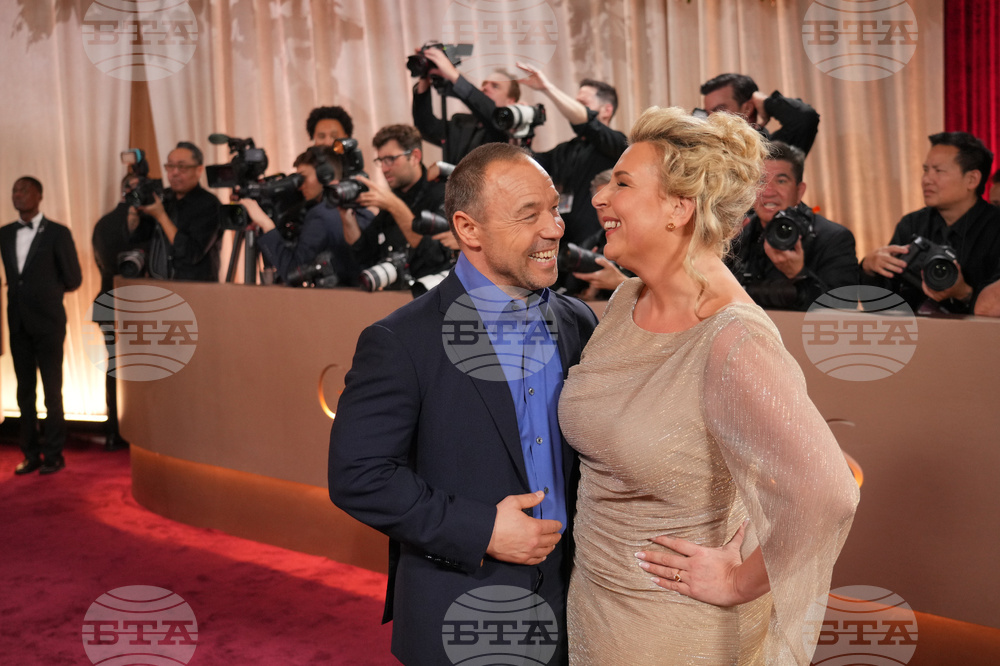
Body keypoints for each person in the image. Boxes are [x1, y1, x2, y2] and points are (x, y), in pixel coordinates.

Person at [559, 107, 859, 664]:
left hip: (675, 631)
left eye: (622, 183)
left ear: (679, 207)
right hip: (594, 608)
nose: (599, 198)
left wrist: (740, 581)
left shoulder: (734, 339)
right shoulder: (626, 301)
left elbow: (828, 492)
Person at [329, 143, 599, 665]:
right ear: (468, 229)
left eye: (554, 209)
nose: (555, 229)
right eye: (529, 215)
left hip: (575, 615)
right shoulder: (402, 340)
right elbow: (358, 475)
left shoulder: (578, 322)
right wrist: (481, 530)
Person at [860, 132, 1000, 315]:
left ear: (972, 179)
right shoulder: (911, 224)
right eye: (926, 170)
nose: (926, 180)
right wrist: (869, 268)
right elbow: (880, 307)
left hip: (978, 340)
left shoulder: (995, 227)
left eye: (938, 171)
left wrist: (963, 293)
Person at [2, 177, 82, 475]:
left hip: (48, 322)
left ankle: (54, 454)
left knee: (52, 391)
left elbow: (74, 279)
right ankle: (30, 453)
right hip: (18, 322)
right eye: (14, 190)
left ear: (39, 195)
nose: (18, 195)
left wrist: (46, 290)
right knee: (24, 392)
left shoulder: (58, 233)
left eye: (24, 189)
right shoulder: (5, 233)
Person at [727, 141, 858, 310]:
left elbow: (844, 311)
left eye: (781, 181)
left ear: (799, 191)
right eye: (761, 181)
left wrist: (798, 274)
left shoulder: (834, 238)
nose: (768, 191)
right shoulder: (738, 234)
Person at [516, 65, 628, 246]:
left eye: (582, 104)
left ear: (607, 110)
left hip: (596, 244)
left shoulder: (616, 143)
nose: (572, 109)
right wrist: (520, 130)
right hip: (561, 241)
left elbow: (587, 123)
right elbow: (528, 163)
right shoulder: (565, 150)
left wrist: (547, 88)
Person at [238, 146, 368, 286]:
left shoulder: (320, 214)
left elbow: (292, 272)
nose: (299, 186)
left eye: (302, 178)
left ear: (325, 176)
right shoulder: (363, 211)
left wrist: (265, 224)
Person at [91, 174, 157, 450]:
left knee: (115, 367)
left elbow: (100, 261)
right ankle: (140, 429)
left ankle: (113, 431)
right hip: (138, 303)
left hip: (108, 301)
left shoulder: (103, 223)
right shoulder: (149, 222)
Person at [340, 124, 451, 288]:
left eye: (390, 159)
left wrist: (394, 206)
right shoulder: (393, 198)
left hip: (432, 298)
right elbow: (363, 254)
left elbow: (435, 255)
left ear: (414, 156)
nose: (384, 169)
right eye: (380, 161)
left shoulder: (443, 193)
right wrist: (346, 215)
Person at [412, 47, 520, 164]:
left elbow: (490, 112)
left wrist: (454, 76)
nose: (485, 88)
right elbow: (426, 126)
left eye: (495, 86)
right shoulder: (460, 122)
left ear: (511, 101)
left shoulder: (512, 130)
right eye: (484, 84)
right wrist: (425, 76)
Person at [139, 141, 222, 281]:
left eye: (182, 167)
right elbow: (137, 238)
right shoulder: (163, 198)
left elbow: (191, 253)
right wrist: (134, 211)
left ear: (199, 170)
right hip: (158, 287)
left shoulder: (209, 204)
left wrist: (161, 216)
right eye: (170, 166)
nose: (174, 173)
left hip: (195, 289)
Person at [701, 73, 820, 155]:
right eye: (708, 113)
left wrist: (766, 102)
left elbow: (804, 117)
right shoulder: (707, 152)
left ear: (747, 109)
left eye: (720, 110)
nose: (711, 119)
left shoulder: (773, 152)